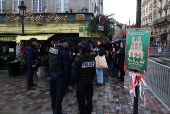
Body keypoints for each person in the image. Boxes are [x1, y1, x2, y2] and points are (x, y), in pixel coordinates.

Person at [70, 42, 95, 114]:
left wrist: (72, 82)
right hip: (89, 79)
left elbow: (74, 72)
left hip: (81, 81)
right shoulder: (91, 58)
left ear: (80, 49)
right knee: (89, 96)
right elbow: (94, 71)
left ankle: (82, 111)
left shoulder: (78, 59)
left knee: (81, 97)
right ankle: (89, 110)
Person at [48, 37, 71, 114]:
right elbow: (67, 67)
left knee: (53, 93)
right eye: (67, 43)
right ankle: (58, 111)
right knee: (59, 94)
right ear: (64, 44)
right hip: (60, 76)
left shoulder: (51, 50)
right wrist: (68, 79)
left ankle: (54, 109)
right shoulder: (64, 52)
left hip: (52, 75)